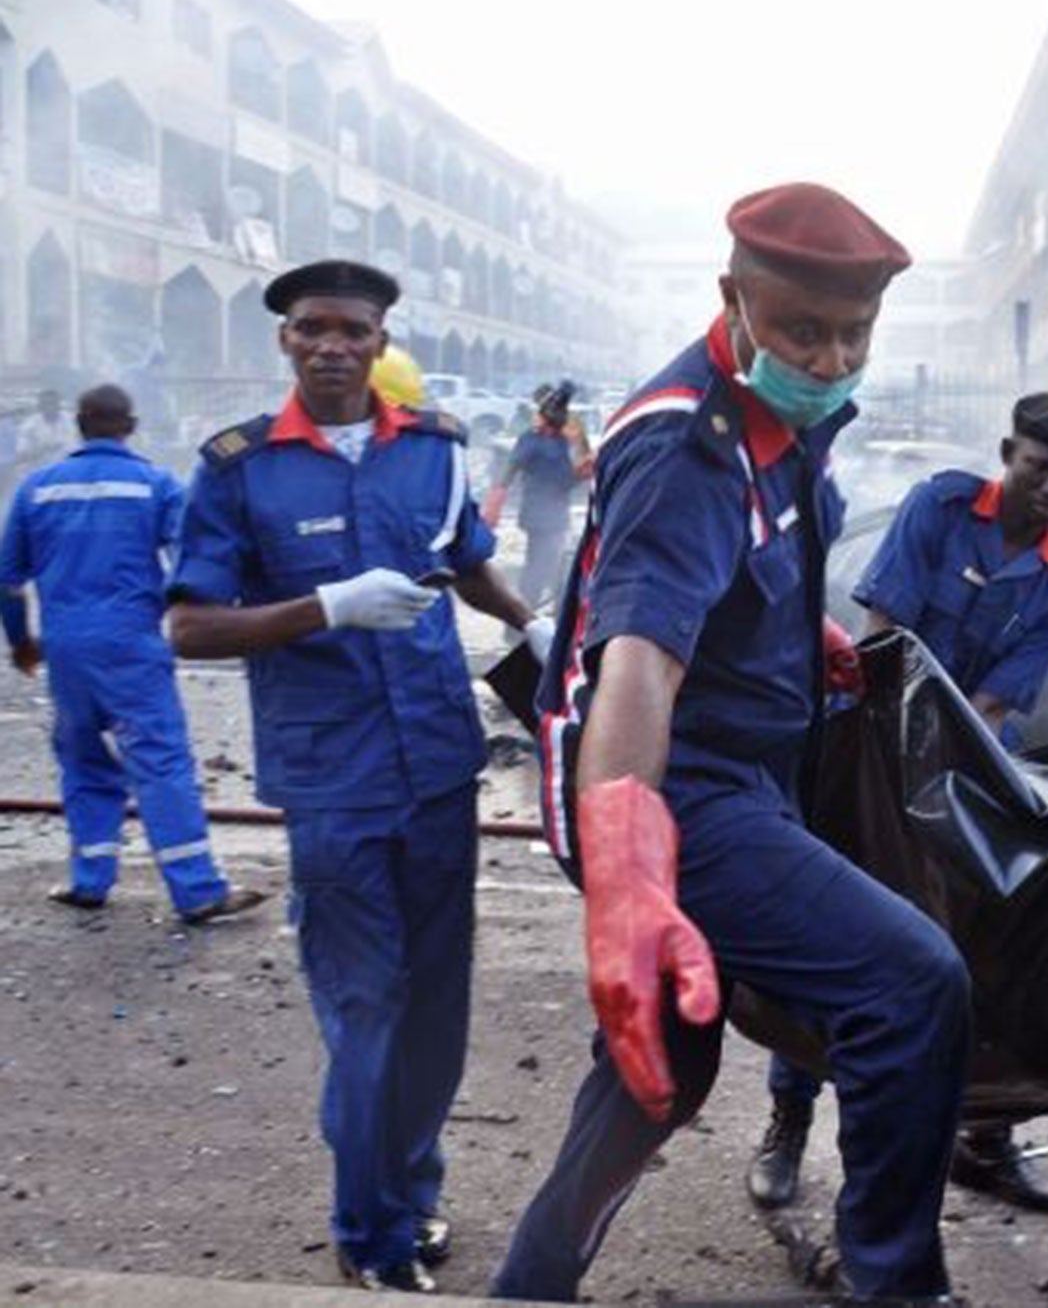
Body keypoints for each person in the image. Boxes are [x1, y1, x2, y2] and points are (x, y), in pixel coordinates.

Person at [492, 183, 969, 1306]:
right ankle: (902, 1289)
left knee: (663, 1065)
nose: (830, 354)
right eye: (803, 328)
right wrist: (626, 880)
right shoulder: (687, 443)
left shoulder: (789, 418)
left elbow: (733, 567)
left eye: (855, 333)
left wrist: (796, 635)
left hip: (743, 764)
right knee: (911, 985)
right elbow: (637, 668)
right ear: (733, 300)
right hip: (669, 787)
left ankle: (529, 1285)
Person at [166, 260, 552, 1293]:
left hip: (435, 768)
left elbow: (464, 557)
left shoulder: (430, 452)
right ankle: (370, 1231)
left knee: (436, 1008)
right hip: (332, 783)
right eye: (310, 328)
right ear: (285, 342)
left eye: (353, 329)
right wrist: (322, 608)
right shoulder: (239, 469)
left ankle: (412, 1196)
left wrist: (529, 622)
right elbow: (190, 625)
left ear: (382, 341)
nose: (331, 345)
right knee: (366, 1008)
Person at [748, 392, 1048, 1217]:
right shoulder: (939, 509)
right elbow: (881, 638)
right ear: (1008, 452)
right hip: (865, 748)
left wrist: (944, 782)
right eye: (1043, 468)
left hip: (968, 769)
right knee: (824, 942)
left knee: (995, 954)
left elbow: (992, 707)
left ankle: (986, 1141)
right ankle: (788, 1123)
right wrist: (893, 773)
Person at [0, 385, 264, 923]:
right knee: (160, 760)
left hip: (65, 651)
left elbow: (7, 580)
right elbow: (192, 560)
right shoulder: (155, 485)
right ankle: (196, 890)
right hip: (131, 646)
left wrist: (21, 643)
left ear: (78, 424)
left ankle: (90, 879)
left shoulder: (37, 490)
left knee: (82, 759)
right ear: (131, 424)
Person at [484, 380, 592, 609]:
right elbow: (509, 473)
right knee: (539, 569)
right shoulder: (536, 441)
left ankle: (538, 617)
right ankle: (523, 621)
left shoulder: (559, 439)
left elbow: (581, 470)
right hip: (541, 516)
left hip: (552, 513)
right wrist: (493, 507)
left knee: (551, 568)